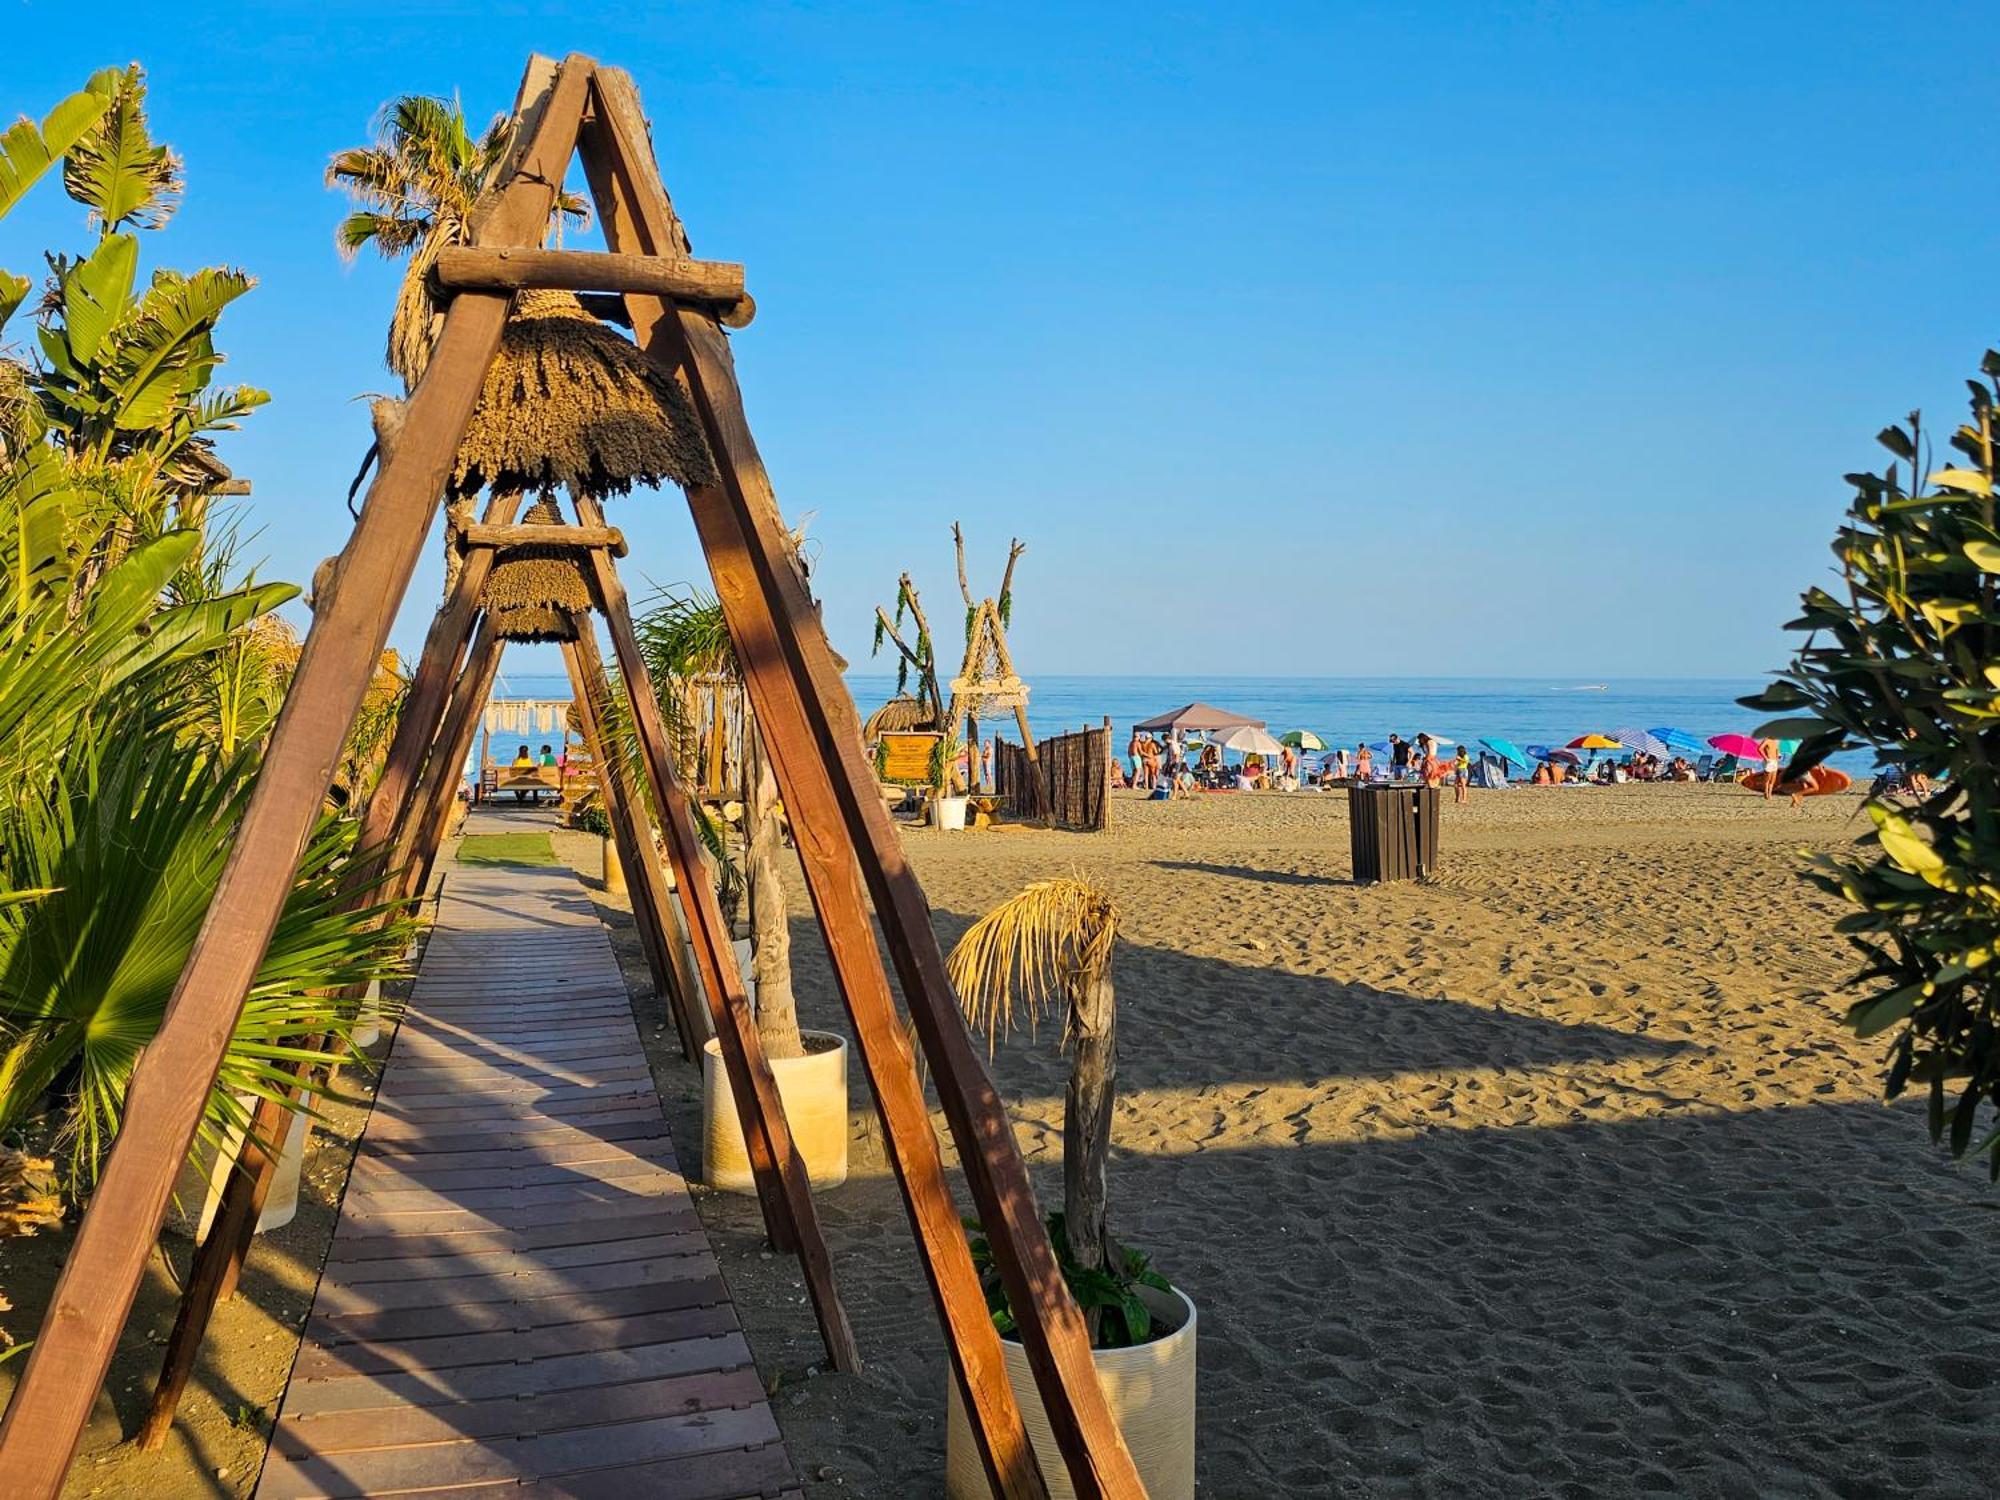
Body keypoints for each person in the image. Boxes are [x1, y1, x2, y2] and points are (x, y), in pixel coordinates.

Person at [1758, 736, 1781, 801]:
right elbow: (1759, 749)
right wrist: (1766, 758)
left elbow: (1777, 750)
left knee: (1773, 780)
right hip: (1769, 761)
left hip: (1775, 762)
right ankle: (1766, 793)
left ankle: (1770, 794)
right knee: (1767, 779)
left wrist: (1777, 757)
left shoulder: (1776, 741)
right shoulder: (1767, 740)